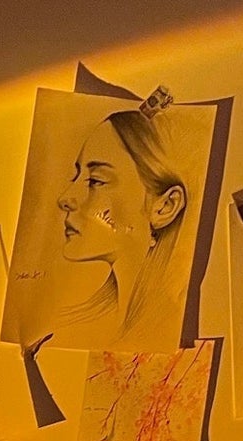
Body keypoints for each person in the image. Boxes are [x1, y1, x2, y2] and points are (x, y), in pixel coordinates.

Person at [55, 108, 190, 347]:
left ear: (165, 206)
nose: (65, 198)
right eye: (76, 177)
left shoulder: (161, 327)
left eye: (95, 180)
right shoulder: (86, 326)